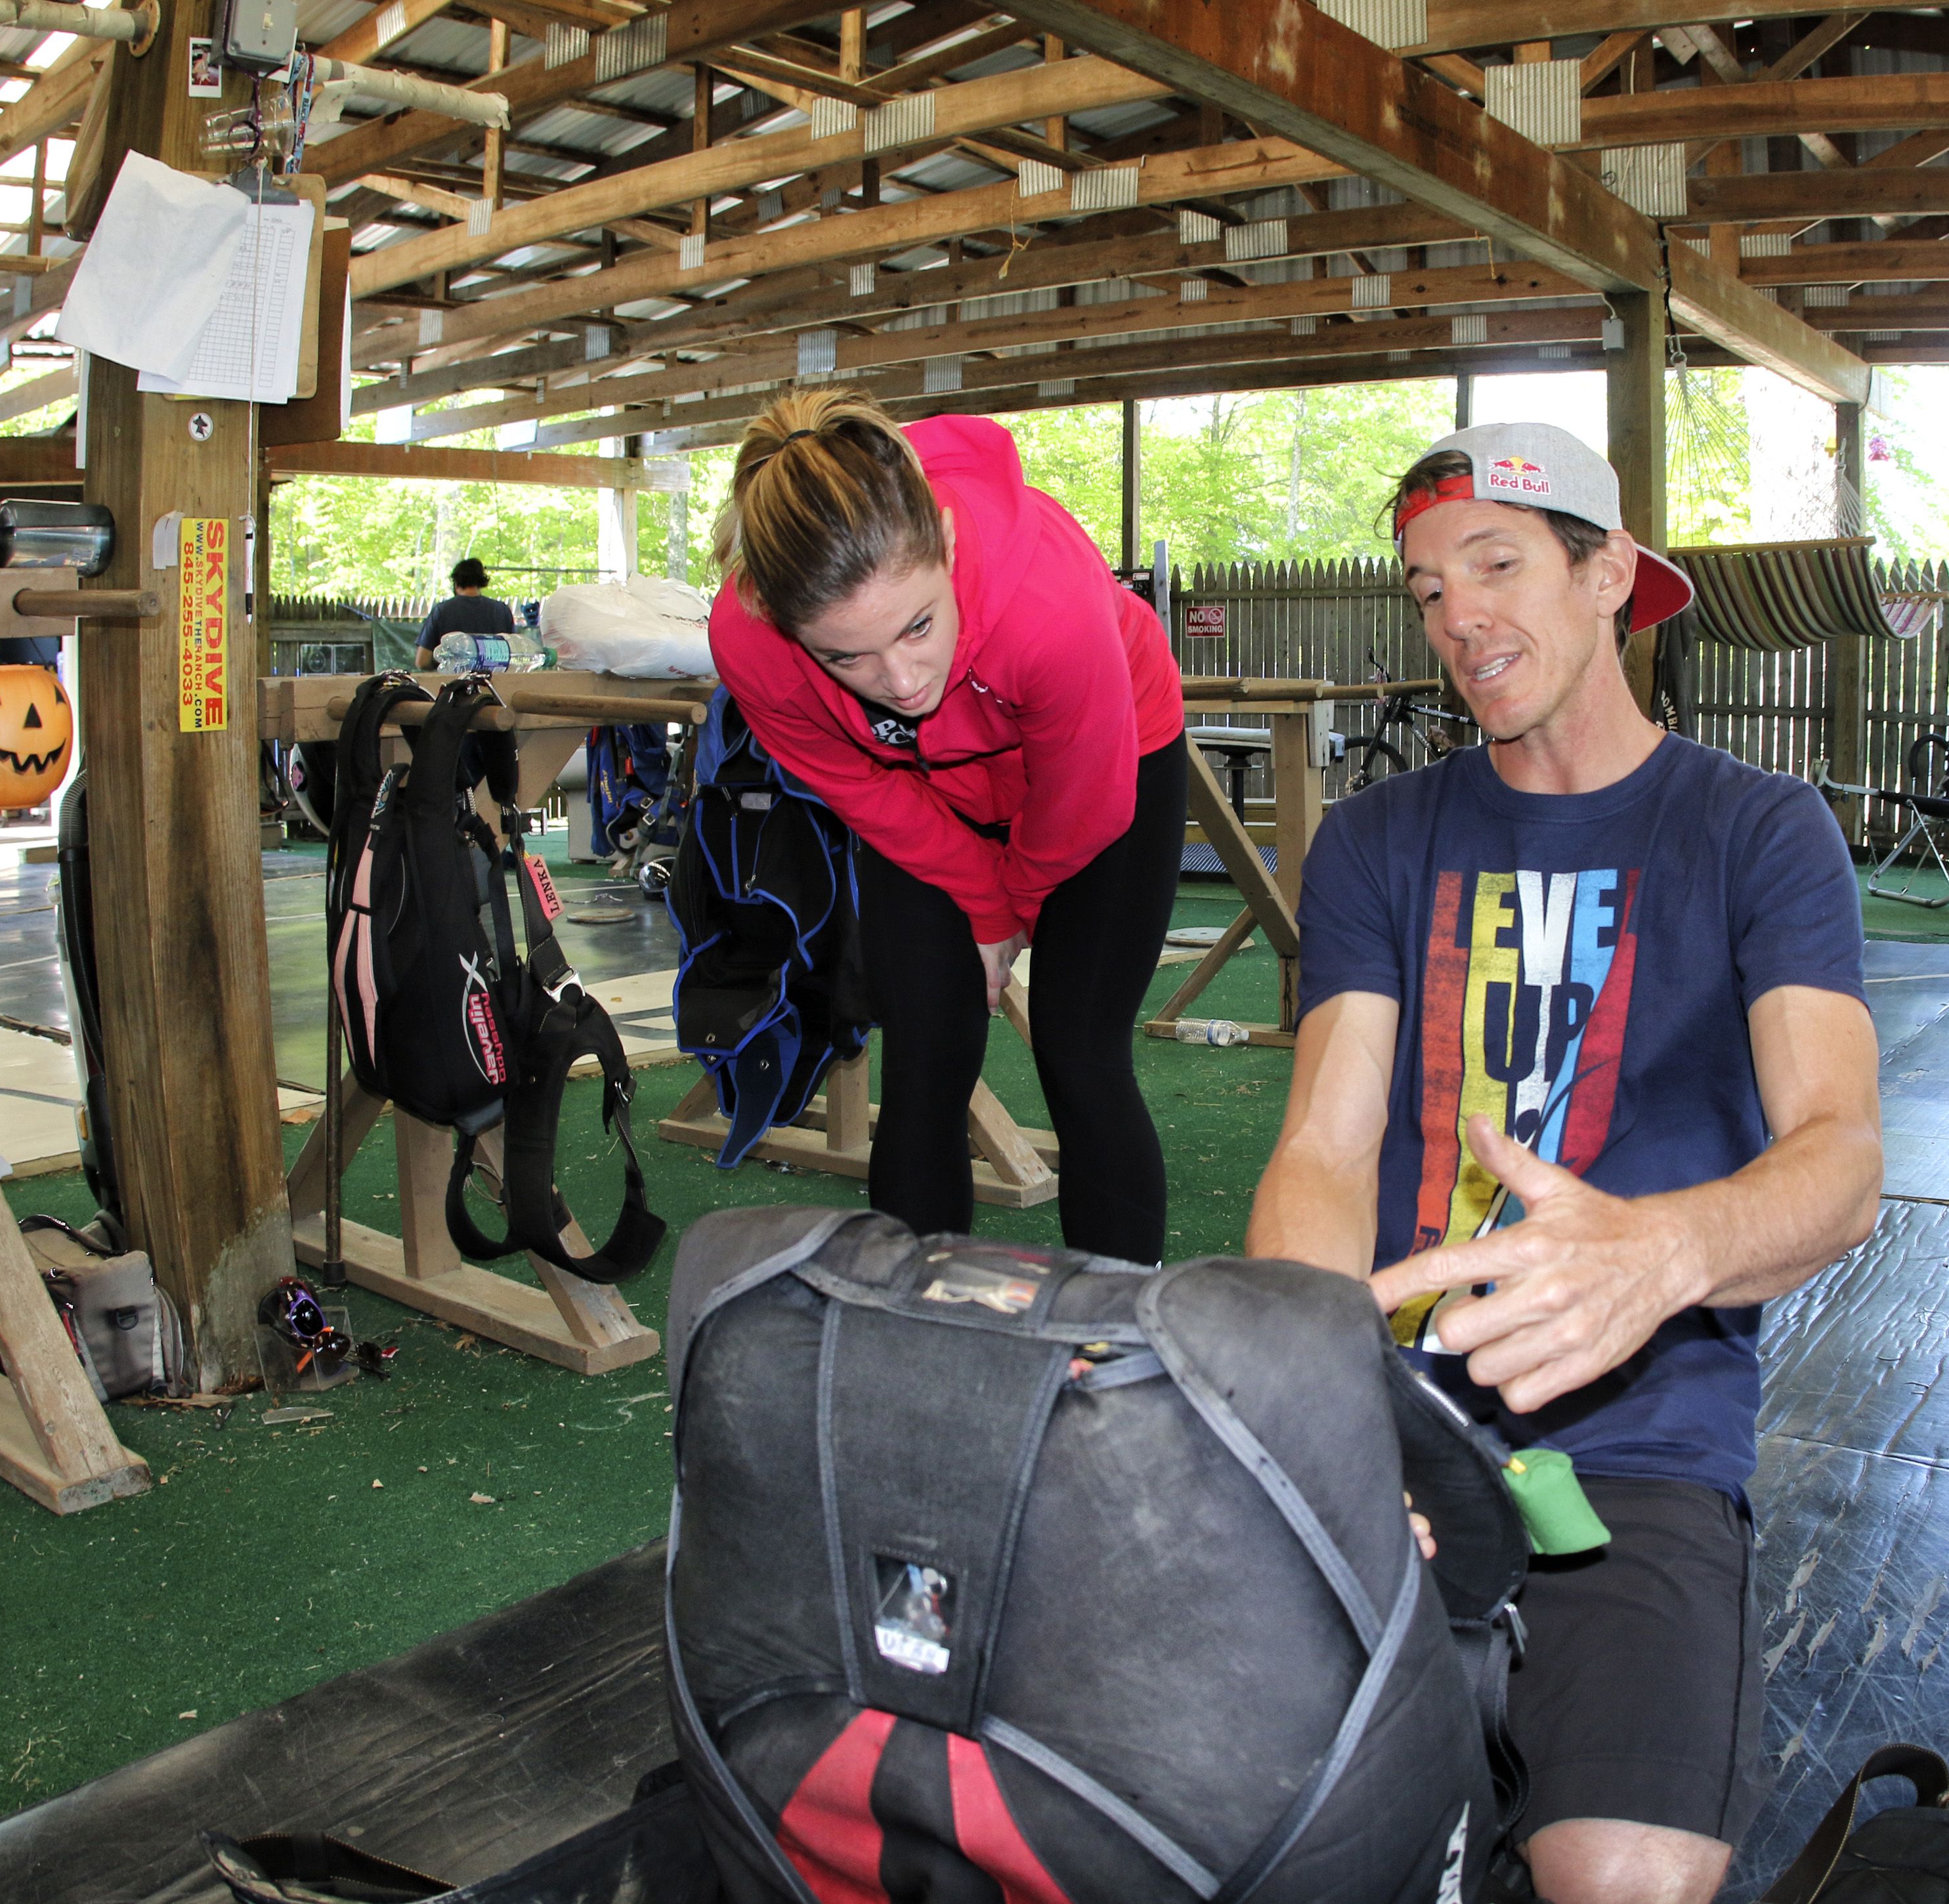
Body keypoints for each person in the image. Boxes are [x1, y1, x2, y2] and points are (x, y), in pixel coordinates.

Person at [1246, 422, 1883, 1904]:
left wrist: (1652, 1256)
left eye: (1496, 563)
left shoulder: (1758, 830)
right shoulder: (1376, 839)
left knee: (1624, 1878)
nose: (1457, 614)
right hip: (1393, 1419)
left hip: (1637, 1444)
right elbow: (1323, 1153)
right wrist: (1332, 1421)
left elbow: (1839, 1159)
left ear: (1608, 578)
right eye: (1424, 587)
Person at [706, 389, 1187, 1264]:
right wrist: (980, 903)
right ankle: (908, 1336)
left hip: (1103, 767)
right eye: (844, 655)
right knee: (925, 1056)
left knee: (1080, 1054)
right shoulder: (750, 641)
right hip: (925, 792)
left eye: (917, 626)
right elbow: (856, 785)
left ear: (949, 547)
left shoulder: (1042, 594)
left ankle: (1118, 1347)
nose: (898, 679)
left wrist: (1014, 906)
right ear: (783, 626)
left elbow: (1086, 800)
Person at [416, 557, 515, 669]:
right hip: (494, 683)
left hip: (453, 684)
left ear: (456, 582)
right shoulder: (502, 611)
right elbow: (514, 656)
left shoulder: (442, 611)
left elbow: (422, 661)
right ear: (482, 581)